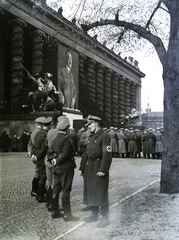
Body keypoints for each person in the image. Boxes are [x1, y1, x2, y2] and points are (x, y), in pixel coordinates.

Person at [79, 115, 112, 228]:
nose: (88, 127)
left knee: (101, 192)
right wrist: (82, 167)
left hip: (98, 166)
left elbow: (107, 155)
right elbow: (86, 154)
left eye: (90, 124)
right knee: (91, 190)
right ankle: (94, 214)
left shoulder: (105, 136)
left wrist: (103, 170)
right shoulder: (91, 136)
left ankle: (105, 217)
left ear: (96, 123)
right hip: (90, 167)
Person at [47, 116, 79, 221]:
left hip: (57, 168)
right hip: (66, 168)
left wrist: (53, 160)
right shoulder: (66, 139)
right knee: (66, 190)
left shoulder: (56, 138)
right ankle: (67, 214)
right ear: (67, 128)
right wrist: (58, 160)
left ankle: (55, 211)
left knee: (56, 189)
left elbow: (49, 152)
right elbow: (65, 154)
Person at [31, 117, 52, 203]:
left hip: (37, 157)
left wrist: (34, 155)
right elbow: (43, 149)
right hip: (42, 158)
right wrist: (38, 157)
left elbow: (33, 146)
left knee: (39, 175)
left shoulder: (38, 133)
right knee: (43, 177)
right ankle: (40, 196)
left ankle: (36, 192)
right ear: (48, 126)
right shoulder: (45, 134)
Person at [28, 116, 46, 197]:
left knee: (37, 172)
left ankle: (34, 190)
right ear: (42, 124)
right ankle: (37, 191)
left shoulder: (34, 132)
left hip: (34, 154)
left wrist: (30, 153)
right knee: (40, 173)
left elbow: (30, 144)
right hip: (39, 155)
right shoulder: (42, 133)